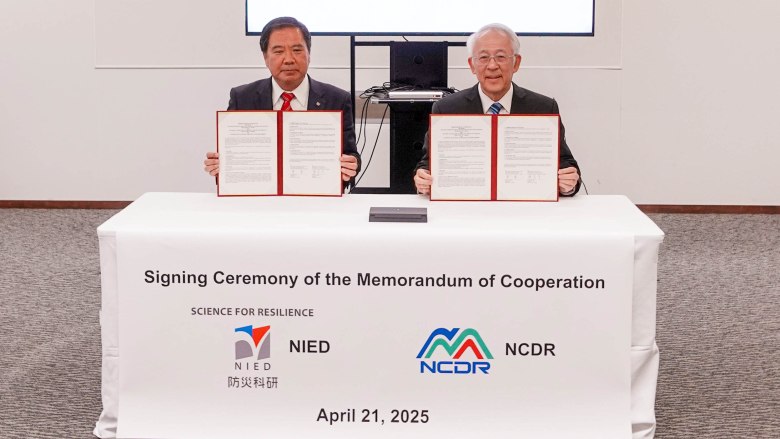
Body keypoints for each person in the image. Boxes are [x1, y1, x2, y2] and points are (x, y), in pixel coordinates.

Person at [414, 23, 581, 196]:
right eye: (484, 57)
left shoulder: (543, 108)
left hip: (526, 206)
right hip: (466, 206)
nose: (492, 66)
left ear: (516, 63)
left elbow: (565, 164)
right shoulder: (446, 109)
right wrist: (423, 179)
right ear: (472, 65)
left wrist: (568, 184)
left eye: (501, 57)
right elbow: (427, 164)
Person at [203, 17, 360, 186]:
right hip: (259, 196)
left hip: (316, 195)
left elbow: (350, 155)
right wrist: (221, 166)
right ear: (265, 57)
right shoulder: (242, 98)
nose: (289, 59)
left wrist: (352, 165)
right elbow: (234, 156)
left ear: (309, 54)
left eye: (297, 50)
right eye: (278, 51)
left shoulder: (337, 99)